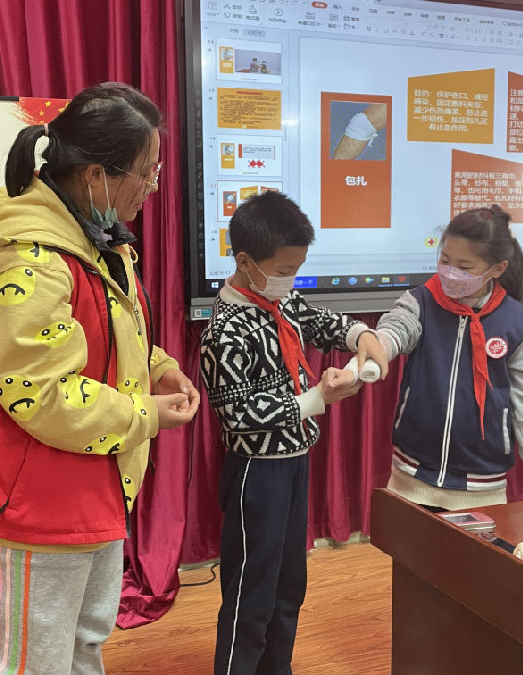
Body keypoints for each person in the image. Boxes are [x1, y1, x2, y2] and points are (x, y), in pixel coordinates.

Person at [0, 82, 200, 675]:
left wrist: (159, 367)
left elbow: (111, 331)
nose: (153, 186)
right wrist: (145, 414)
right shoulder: (29, 257)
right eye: (146, 172)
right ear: (96, 176)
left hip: (97, 484)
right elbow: (40, 393)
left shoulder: (96, 238)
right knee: (34, 661)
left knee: (84, 641)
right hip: (41, 500)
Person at [199, 191, 388, 675]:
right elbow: (238, 413)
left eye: (298, 268)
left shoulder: (280, 301)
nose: (292, 279)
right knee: (252, 592)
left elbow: (320, 322)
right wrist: (317, 399)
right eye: (285, 269)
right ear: (245, 261)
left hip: (293, 462)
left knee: (289, 585)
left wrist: (362, 335)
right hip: (255, 474)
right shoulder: (225, 331)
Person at [375, 204, 523, 511]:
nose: (450, 272)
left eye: (464, 267)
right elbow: (396, 329)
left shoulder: (520, 324)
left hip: (482, 490)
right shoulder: (422, 301)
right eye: (445, 261)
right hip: (410, 480)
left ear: (497, 269)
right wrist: (375, 348)